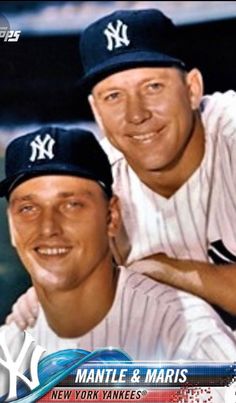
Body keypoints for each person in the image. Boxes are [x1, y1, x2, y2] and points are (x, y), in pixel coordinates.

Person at [7, 9, 236, 328]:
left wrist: (164, 271)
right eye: (113, 96)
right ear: (96, 111)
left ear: (192, 89)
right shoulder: (96, 177)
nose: (136, 114)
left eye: (153, 87)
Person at [1, 125, 235, 383]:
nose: (48, 228)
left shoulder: (188, 336)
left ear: (111, 216)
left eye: (71, 205)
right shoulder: (11, 346)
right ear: (11, 226)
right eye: (28, 208)